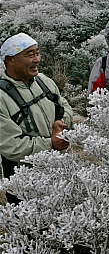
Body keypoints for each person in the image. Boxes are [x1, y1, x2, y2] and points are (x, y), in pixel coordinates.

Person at [0, 33, 74, 204]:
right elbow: (11, 146)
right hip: (24, 181)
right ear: (10, 60)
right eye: (29, 54)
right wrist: (51, 144)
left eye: (37, 53)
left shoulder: (43, 81)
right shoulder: (2, 97)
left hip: (58, 168)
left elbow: (65, 107)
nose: (37, 59)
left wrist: (61, 124)